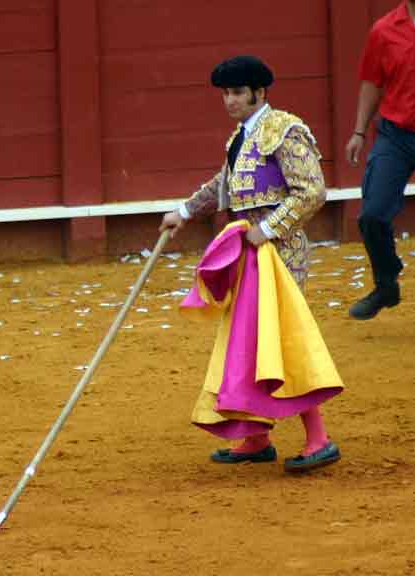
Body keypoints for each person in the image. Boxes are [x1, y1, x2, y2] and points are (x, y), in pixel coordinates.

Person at [159, 55, 343, 472]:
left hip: (281, 253)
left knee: (283, 342)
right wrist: (184, 213)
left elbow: (312, 191)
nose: (230, 101)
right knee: (250, 341)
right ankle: (256, 437)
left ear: (260, 92)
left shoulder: (284, 130)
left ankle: (318, 437)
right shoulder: (240, 138)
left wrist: (271, 228)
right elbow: (221, 186)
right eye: (226, 93)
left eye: (238, 92)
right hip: (249, 253)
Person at [346, 0, 415, 320]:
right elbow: (372, 82)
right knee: (372, 214)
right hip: (396, 134)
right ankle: (386, 285)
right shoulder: (384, 30)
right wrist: (359, 132)